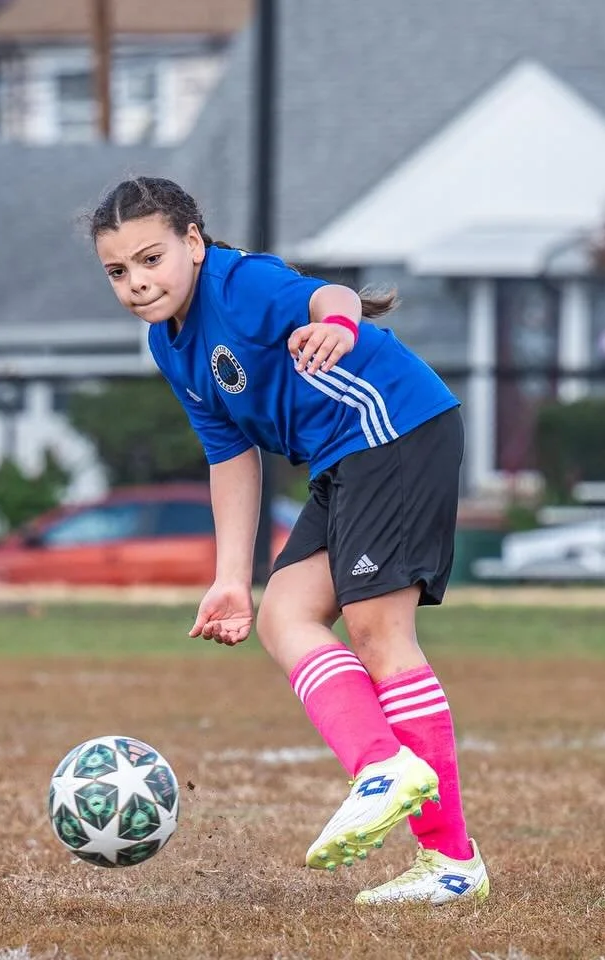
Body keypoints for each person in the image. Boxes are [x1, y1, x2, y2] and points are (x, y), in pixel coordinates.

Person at [87, 176, 488, 906]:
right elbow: (230, 455)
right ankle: (439, 847)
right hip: (344, 455)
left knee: (376, 628)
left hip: (393, 425)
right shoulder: (168, 345)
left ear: (194, 244)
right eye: (119, 271)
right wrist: (230, 578)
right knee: (282, 616)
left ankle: (422, 824)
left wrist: (342, 325)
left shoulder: (238, 285)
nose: (138, 283)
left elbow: (324, 295)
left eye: (151, 259)